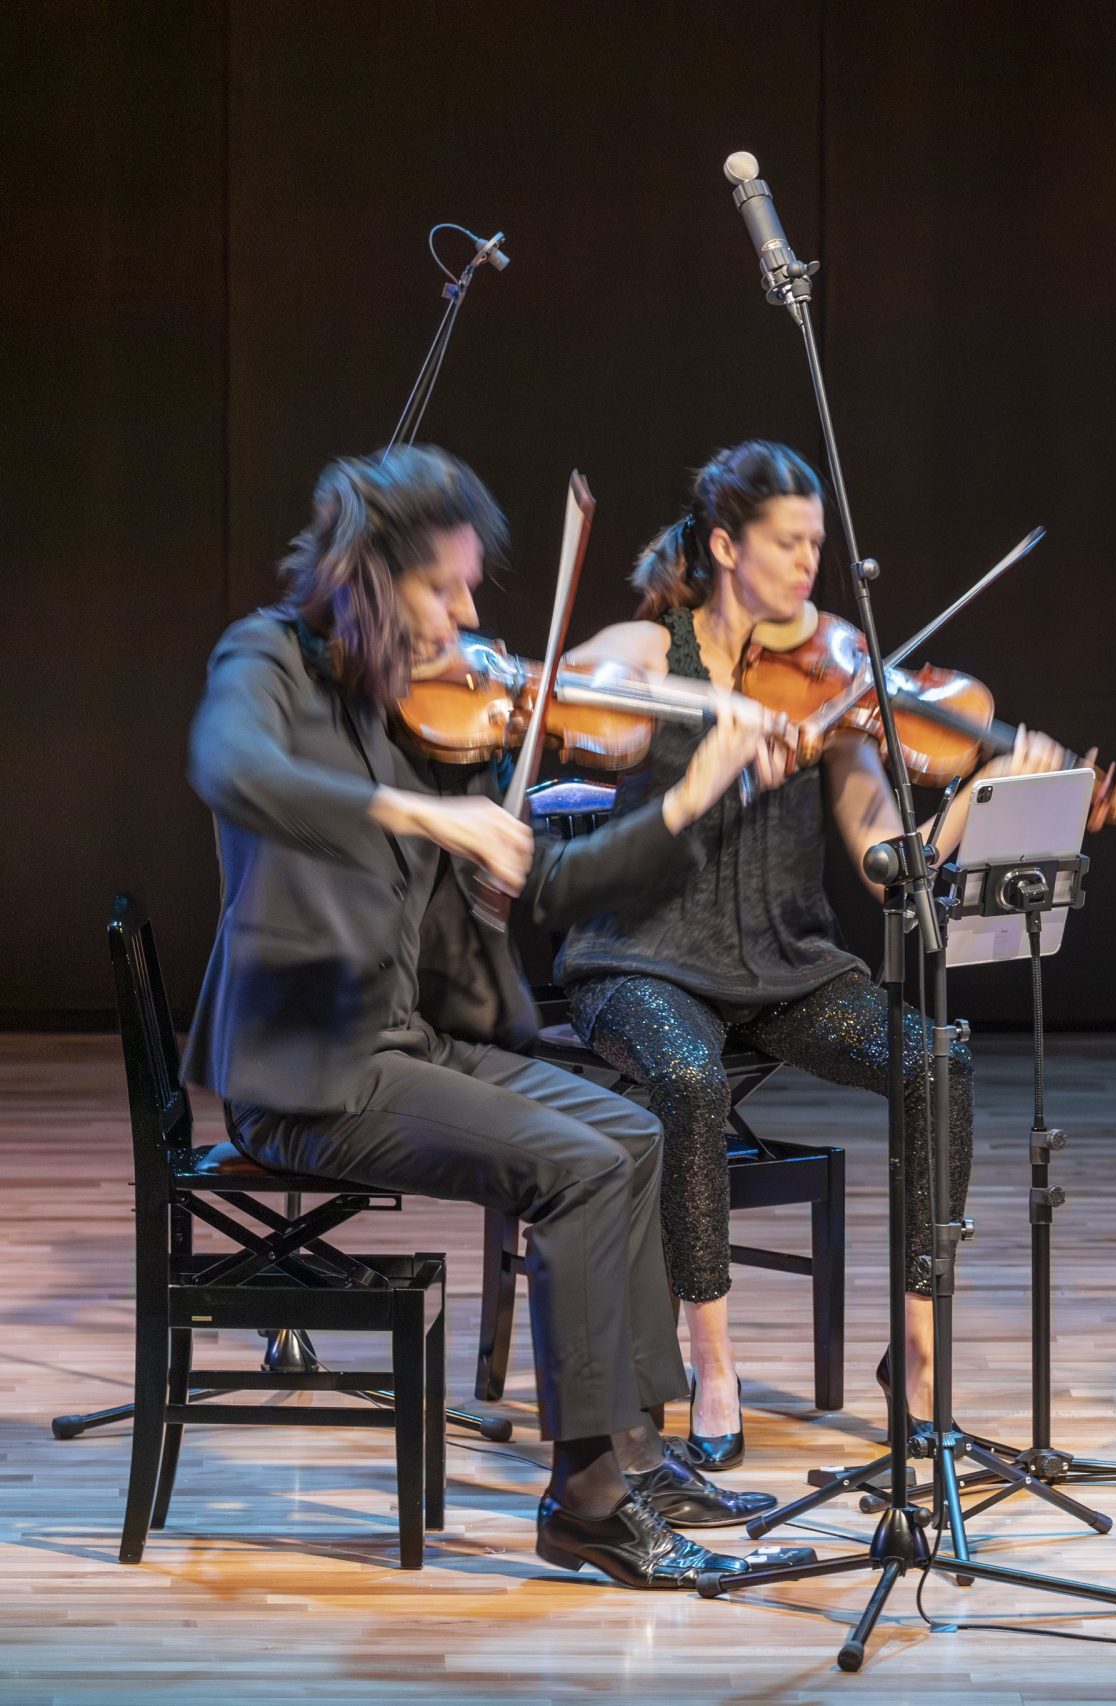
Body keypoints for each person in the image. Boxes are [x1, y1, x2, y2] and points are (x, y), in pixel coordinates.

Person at [188, 444, 817, 1587]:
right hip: (311, 1073)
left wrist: (686, 792)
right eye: (447, 587)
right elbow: (230, 769)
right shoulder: (269, 661)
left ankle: (632, 1453)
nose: (471, 614)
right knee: (578, 1168)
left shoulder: (426, 712)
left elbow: (557, 883)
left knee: (636, 1130)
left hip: (405, 1043)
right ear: (371, 575)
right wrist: (426, 818)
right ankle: (585, 1503)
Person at [558, 440, 1071, 1465]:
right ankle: (711, 1361)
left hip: (787, 964)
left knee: (939, 1060)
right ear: (723, 544)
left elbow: (891, 862)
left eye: (816, 545)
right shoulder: (655, 646)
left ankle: (917, 1361)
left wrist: (981, 791)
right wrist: (719, 711)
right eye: (787, 542)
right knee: (687, 1078)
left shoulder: (832, 677)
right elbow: (580, 683)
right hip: (641, 956)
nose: (808, 565)